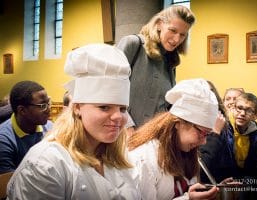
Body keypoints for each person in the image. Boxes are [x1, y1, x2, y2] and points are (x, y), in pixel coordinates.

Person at [6, 44, 140, 199]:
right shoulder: (46, 164)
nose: (118, 117)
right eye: (104, 107)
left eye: (122, 109)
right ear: (77, 108)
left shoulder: (119, 155)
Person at [127, 78, 220, 200]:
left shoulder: (185, 151)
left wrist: (216, 189)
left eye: (207, 134)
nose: (203, 142)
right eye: (202, 132)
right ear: (178, 123)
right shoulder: (145, 159)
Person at [117, 5, 196, 132]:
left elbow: (164, 106)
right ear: (159, 24)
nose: (177, 39)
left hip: (151, 139)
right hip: (122, 136)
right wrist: (128, 127)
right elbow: (112, 91)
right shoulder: (133, 44)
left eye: (182, 35)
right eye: (173, 30)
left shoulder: (171, 62)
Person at [200, 92, 257, 200]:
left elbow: (254, 167)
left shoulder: (255, 135)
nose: (242, 113)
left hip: (243, 176)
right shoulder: (223, 127)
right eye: (239, 108)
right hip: (223, 178)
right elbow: (209, 161)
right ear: (233, 109)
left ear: (255, 116)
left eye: (249, 110)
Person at [0, 81, 53, 174]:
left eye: (48, 103)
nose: (48, 109)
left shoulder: (50, 128)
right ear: (22, 110)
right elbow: (9, 185)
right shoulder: (4, 140)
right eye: (42, 106)